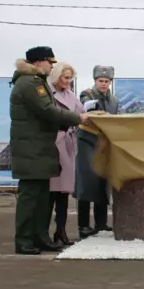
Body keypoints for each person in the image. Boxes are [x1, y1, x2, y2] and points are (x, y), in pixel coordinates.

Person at [9, 46, 90, 255]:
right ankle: (24, 240)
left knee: (41, 199)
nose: (52, 66)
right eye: (49, 62)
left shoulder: (35, 82)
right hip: (32, 149)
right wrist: (77, 119)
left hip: (39, 148)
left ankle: (40, 238)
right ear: (38, 63)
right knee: (30, 198)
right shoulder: (29, 83)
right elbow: (47, 110)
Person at [75, 65, 120, 238]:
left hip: (104, 142)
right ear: (95, 81)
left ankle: (101, 223)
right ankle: (83, 225)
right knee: (86, 182)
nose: (103, 84)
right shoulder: (88, 94)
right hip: (87, 141)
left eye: (106, 81)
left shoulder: (114, 100)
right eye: (100, 81)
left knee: (102, 181)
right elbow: (90, 111)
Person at [46, 62, 83, 246]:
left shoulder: (71, 95)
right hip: (52, 144)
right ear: (56, 76)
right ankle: (44, 233)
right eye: (65, 77)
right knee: (50, 194)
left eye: (70, 78)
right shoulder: (46, 93)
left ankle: (61, 231)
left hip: (67, 145)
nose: (68, 81)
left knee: (63, 193)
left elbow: (82, 114)